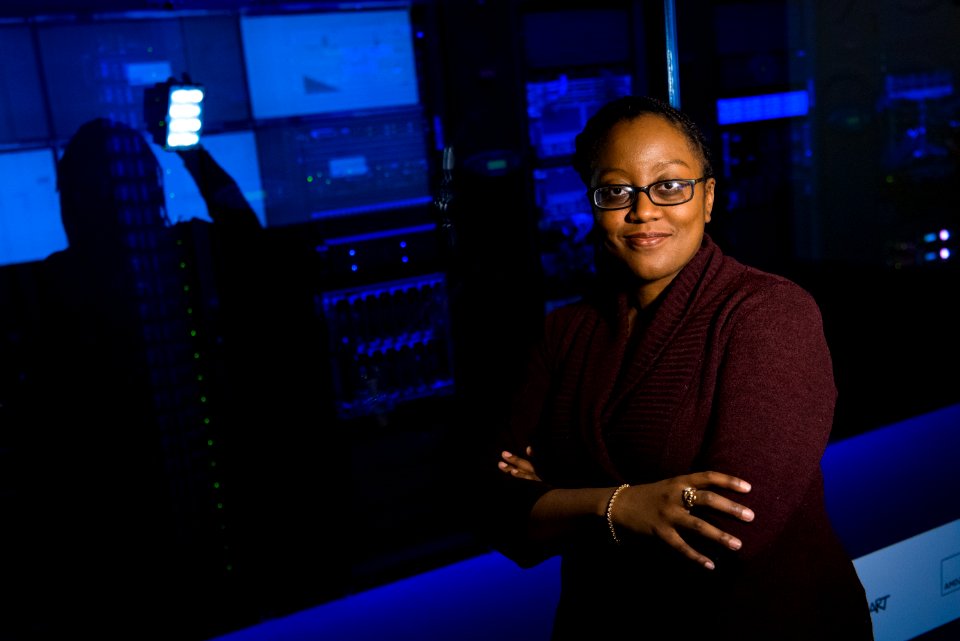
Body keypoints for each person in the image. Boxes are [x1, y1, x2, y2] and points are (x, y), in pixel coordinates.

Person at [477, 95, 874, 640]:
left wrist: (557, 496)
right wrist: (624, 505)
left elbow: (733, 527)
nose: (643, 211)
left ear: (708, 198)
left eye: (669, 185)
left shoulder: (768, 313)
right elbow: (491, 504)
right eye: (617, 191)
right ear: (593, 204)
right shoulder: (564, 331)